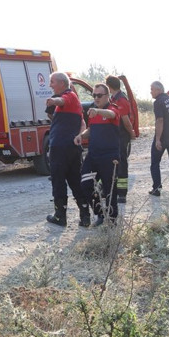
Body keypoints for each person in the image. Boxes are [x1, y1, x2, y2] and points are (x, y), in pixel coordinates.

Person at [45, 72, 90, 227]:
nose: (50, 85)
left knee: (58, 181)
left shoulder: (69, 95)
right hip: (71, 147)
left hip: (60, 148)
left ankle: (60, 216)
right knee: (75, 181)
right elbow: (81, 122)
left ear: (62, 83)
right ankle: (85, 216)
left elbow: (61, 100)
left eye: (52, 82)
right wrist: (79, 136)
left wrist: (53, 101)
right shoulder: (73, 102)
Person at [76, 83, 120, 225]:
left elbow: (111, 114)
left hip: (109, 157)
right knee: (85, 184)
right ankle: (100, 214)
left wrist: (98, 111)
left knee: (110, 189)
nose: (96, 98)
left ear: (107, 96)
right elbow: (90, 129)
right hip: (93, 155)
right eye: (94, 95)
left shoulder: (112, 108)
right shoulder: (92, 111)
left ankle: (112, 221)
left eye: (99, 95)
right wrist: (81, 136)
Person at [105, 76, 135, 203]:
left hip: (121, 136)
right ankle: (110, 190)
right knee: (112, 163)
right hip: (114, 135)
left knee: (121, 164)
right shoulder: (113, 99)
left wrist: (131, 132)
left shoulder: (121, 100)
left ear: (109, 86)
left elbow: (126, 121)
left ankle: (122, 194)